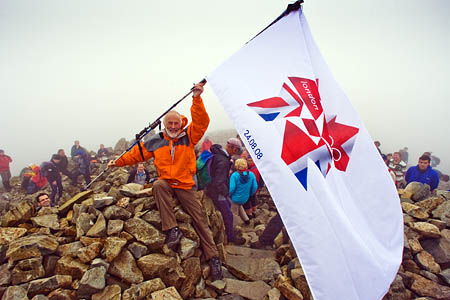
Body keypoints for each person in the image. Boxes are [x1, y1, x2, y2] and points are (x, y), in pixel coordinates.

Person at [107, 82, 223, 281]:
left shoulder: (189, 135)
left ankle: (214, 259)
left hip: (186, 185)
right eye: (169, 123)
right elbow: (136, 154)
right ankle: (172, 230)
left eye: (176, 123)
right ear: (165, 124)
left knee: (200, 221)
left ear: (181, 123)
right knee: (159, 184)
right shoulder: (156, 140)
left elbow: (202, 121)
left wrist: (196, 98)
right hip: (167, 182)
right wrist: (117, 162)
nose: (173, 126)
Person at [205, 138, 243, 244]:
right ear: (232, 148)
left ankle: (228, 233)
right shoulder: (223, 160)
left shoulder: (218, 156)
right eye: (236, 150)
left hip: (210, 189)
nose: (236, 153)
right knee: (228, 214)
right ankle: (231, 237)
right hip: (216, 192)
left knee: (228, 207)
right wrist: (226, 192)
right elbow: (219, 181)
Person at [229, 159, 257, 226]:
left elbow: (232, 188)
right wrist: (250, 193)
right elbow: (255, 187)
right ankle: (246, 220)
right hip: (245, 198)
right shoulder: (251, 174)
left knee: (234, 212)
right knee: (239, 205)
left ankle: (234, 227)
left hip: (235, 198)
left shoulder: (234, 175)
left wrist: (229, 195)